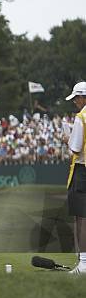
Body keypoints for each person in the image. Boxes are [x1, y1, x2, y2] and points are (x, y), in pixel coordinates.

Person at [64, 82, 86, 274]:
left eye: (76, 99)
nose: (75, 103)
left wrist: (66, 139)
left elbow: (75, 148)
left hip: (83, 171)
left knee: (82, 217)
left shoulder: (81, 117)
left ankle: (84, 263)